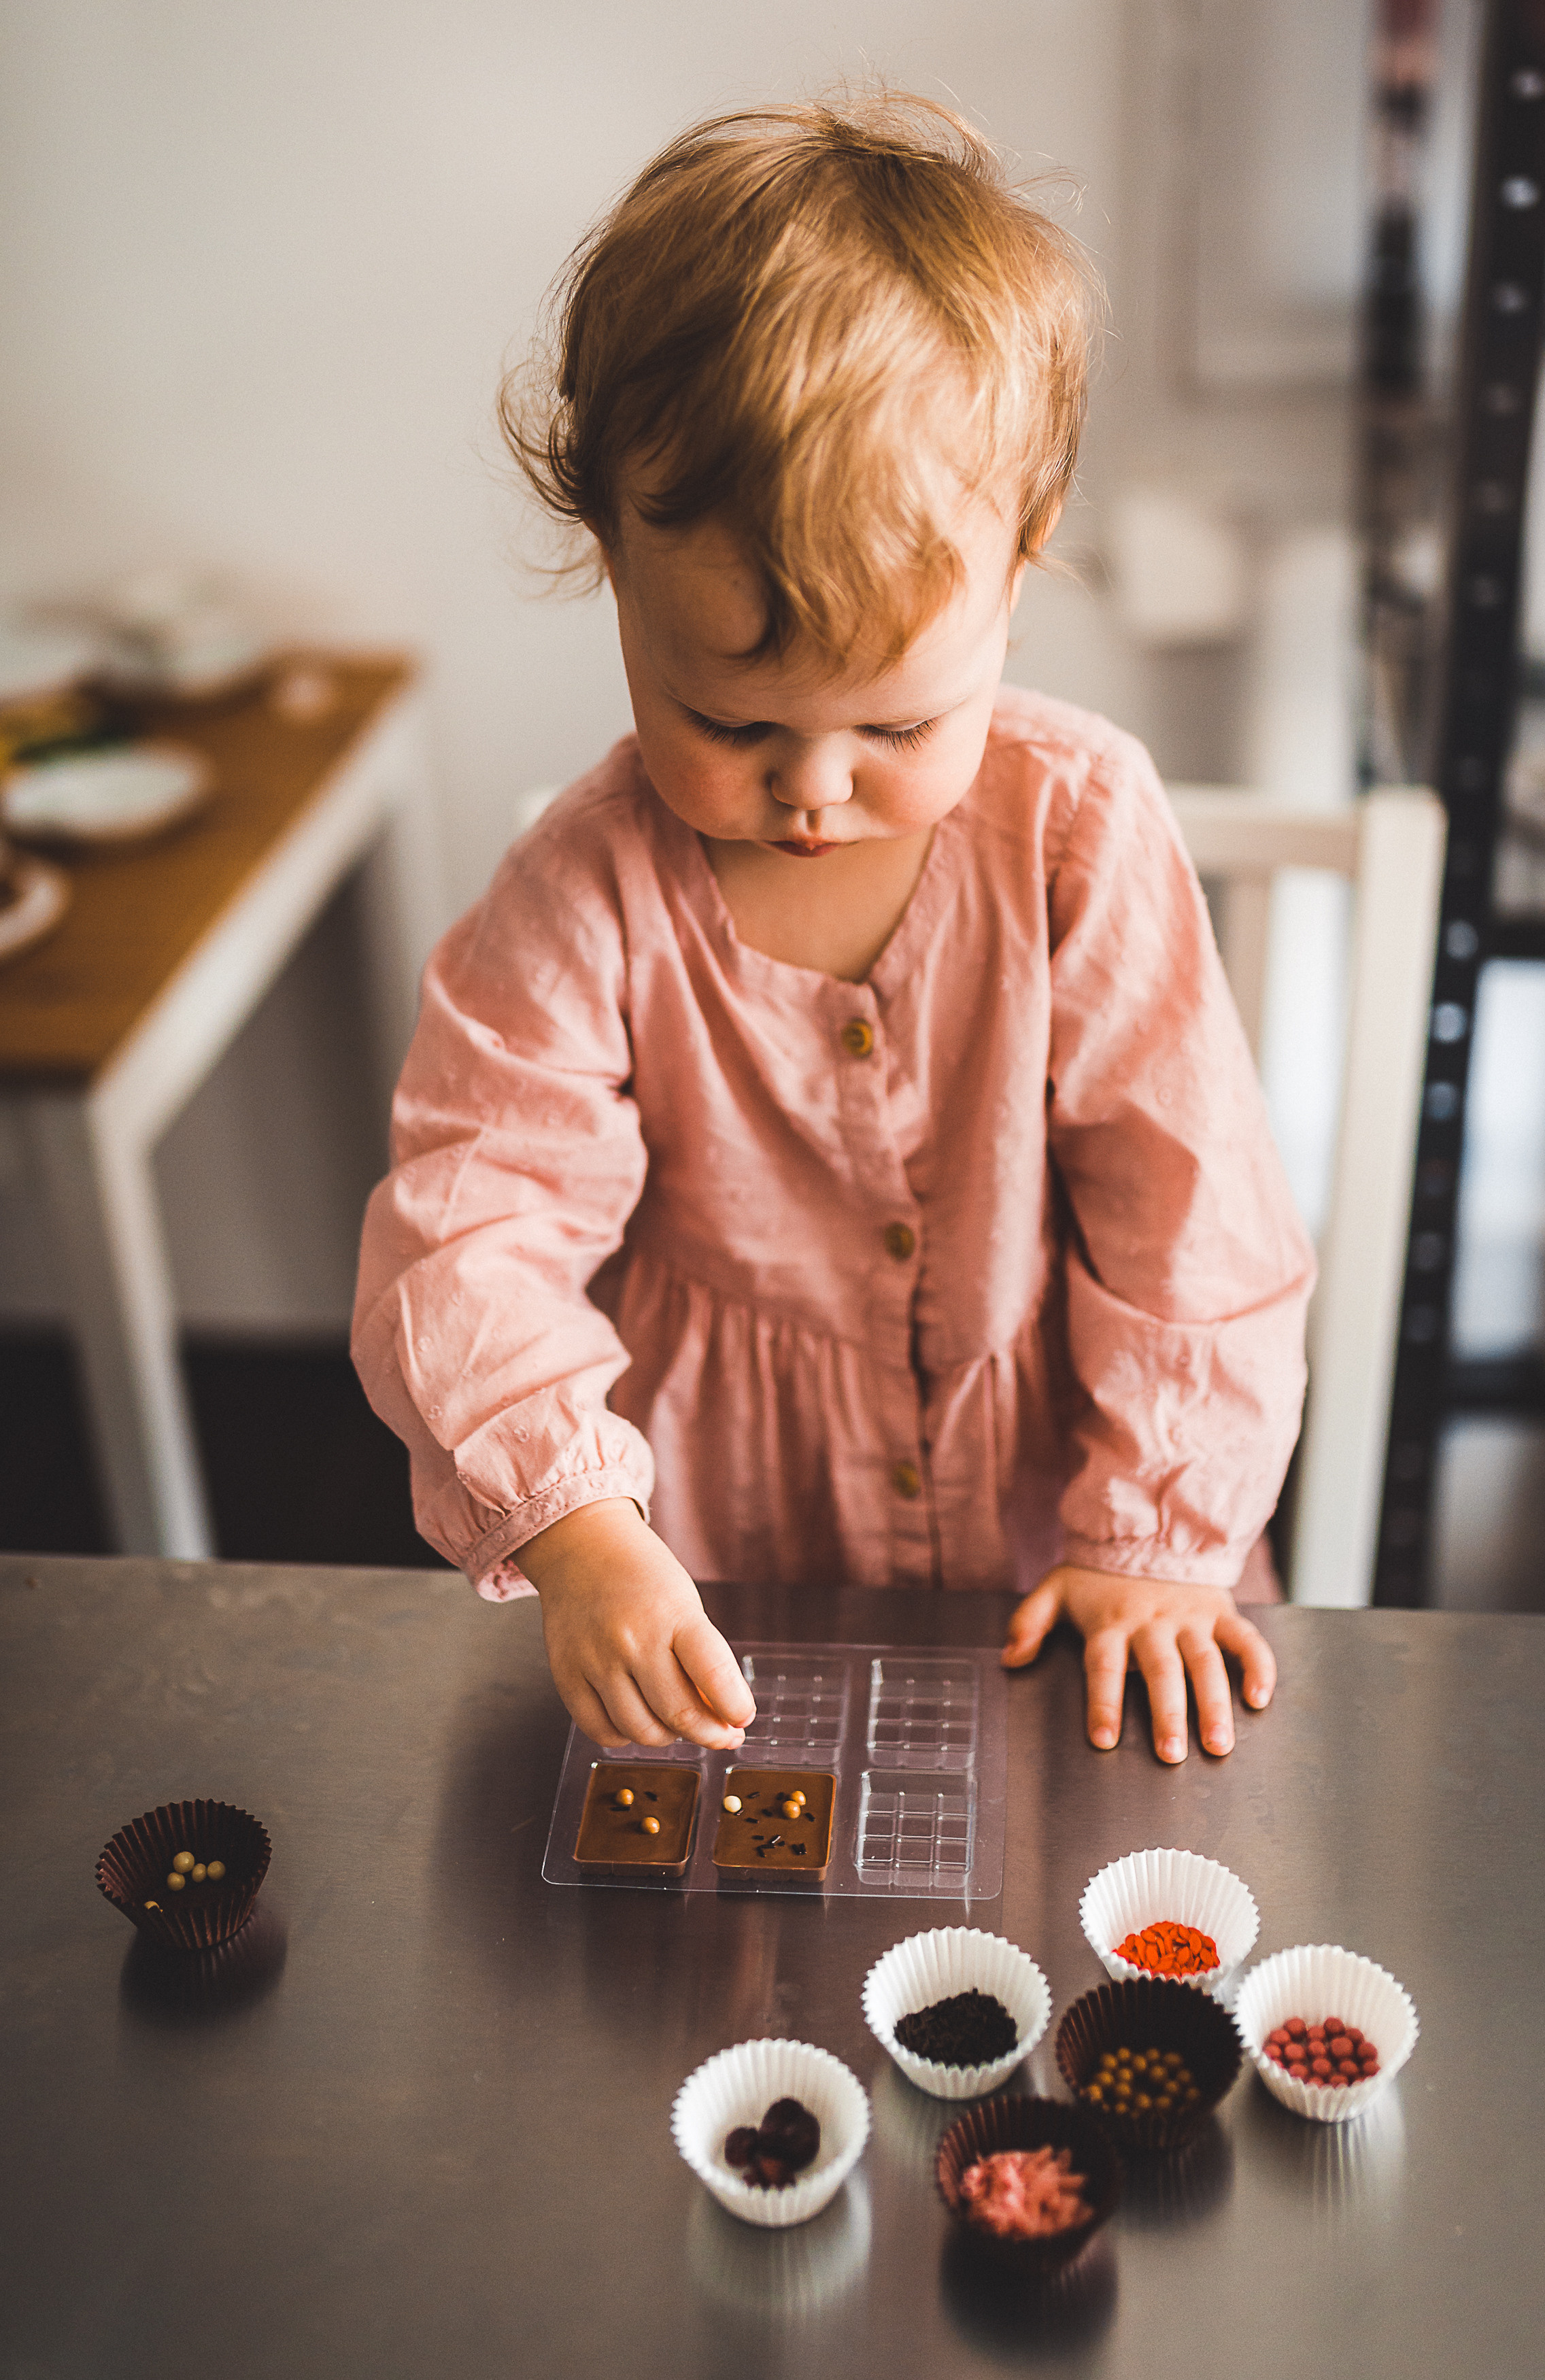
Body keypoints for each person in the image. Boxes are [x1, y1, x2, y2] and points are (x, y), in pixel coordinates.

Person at [352, 93, 1314, 1771]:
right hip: (720, 1573)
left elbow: (1193, 1218)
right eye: (730, 722)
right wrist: (576, 1529)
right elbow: (466, 1237)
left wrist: (1152, 1540)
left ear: (1021, 571)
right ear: (615, 569)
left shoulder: (1076, 827)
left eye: (891, 728)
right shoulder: (583, 893)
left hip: (1075, 1562)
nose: (811, 790)